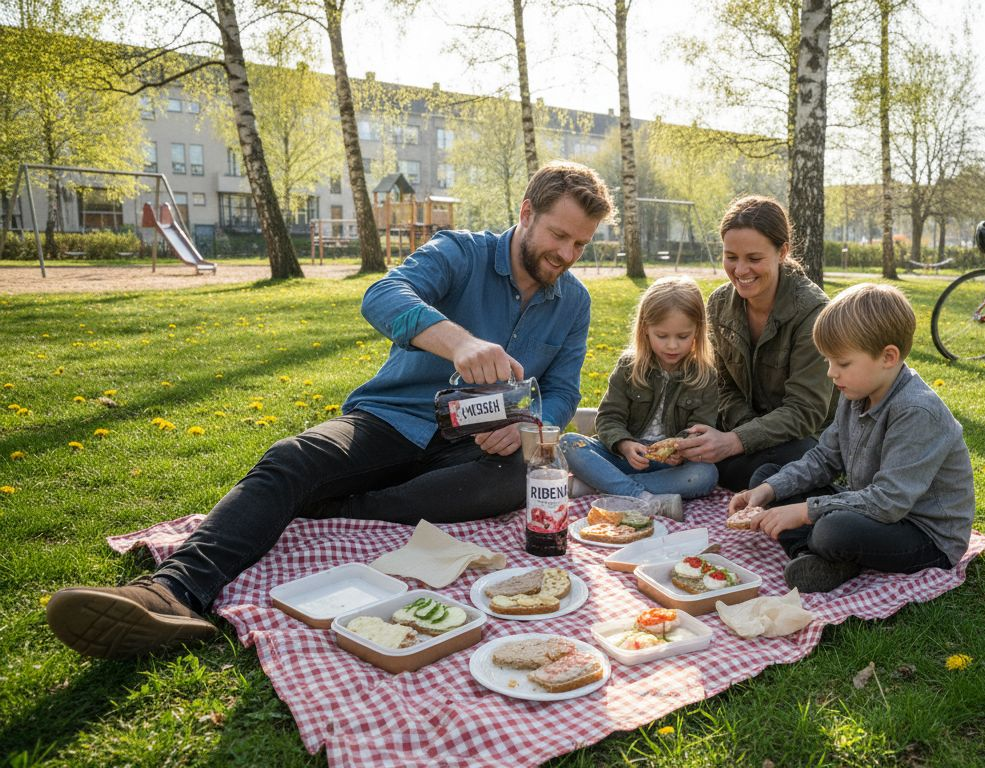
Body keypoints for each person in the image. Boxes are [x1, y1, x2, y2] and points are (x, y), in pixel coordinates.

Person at [45, 161, 615, 659]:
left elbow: (563, 390)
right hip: (393, 420)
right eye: (558, 236)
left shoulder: (575, 302)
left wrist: (526, 428)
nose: (566, 255)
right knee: (295, 457)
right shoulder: (459, 251)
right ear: (526, 212)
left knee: (524, 479)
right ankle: (170, 591)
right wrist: (459, 343)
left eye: (580, 245)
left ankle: (330, 506)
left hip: (476, 445)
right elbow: (382, 296)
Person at [727, 283, 975, 593]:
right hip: (872, 510)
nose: (832, 373)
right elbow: (824, 458)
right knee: (767, 477)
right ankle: (818, 559)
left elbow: (889, 502)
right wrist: (768, 490)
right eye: (828, 361)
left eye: (842, 363)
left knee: (832, 529)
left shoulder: (917, 411)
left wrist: (805, 512)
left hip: (923, 534)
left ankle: (824, 550)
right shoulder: (857, 391)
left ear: (888, 356)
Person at [676, 195, 833, 491]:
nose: (740, 270)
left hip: (802, 440)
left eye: (754, 259)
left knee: (791, 461)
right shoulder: (719, 303)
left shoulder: (814, 313)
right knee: (688, 446)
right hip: (744, 432)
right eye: (731, 257)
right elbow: (720, 386)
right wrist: (741, 436)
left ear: (782, 251)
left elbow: (805, 411)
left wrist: (735, 442)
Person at [559, 276, 719, 520]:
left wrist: (681, 448)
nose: (672, 345)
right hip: (624, 456)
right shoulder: (629, 366)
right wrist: (624, 444)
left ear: (698, 330)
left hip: (669, 465)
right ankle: (642, 498)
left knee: (705, 474)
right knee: (568, 443)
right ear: (645, 329)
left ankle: (596, 486)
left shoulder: (704, 375)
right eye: (662, 336)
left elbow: (700, 428)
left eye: (683, 336)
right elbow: (609, 418)